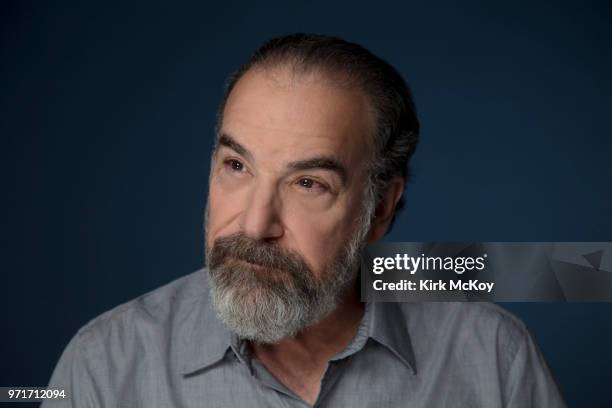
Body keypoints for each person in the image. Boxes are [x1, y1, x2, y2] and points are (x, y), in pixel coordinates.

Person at [43, 33, 566, 407]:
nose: (254, 224)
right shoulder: (103, 369)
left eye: (308, 183)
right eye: (236, 166)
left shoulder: (495, 359)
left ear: (379, 207)